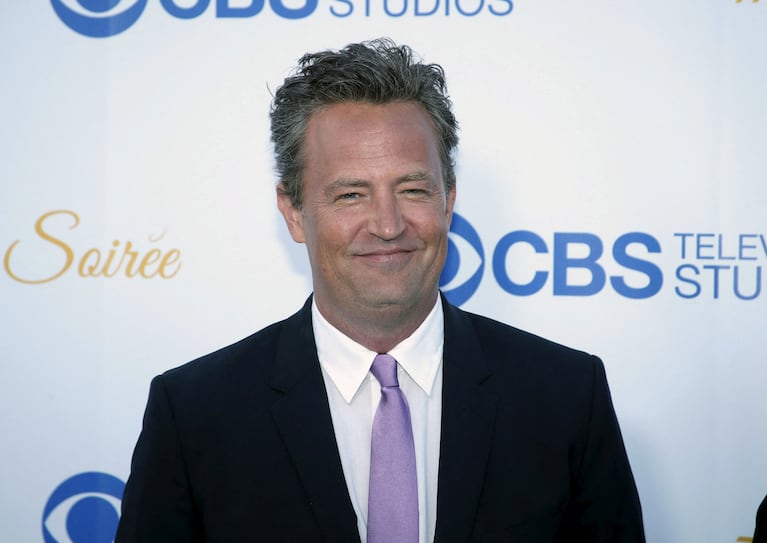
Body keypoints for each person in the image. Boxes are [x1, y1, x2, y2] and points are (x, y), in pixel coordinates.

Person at [116, 38, 645, 542]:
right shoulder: (195, 414)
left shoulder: (567, 396)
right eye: (351, 195)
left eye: (413, 189)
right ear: (294, 212)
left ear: (448, 200)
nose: (388, 225)